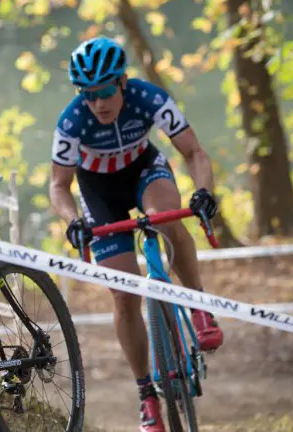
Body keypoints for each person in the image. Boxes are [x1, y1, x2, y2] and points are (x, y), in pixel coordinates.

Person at [48, 36, 224, 432]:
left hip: (144, 171)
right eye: (89, 94)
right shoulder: (71, 121)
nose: (99, 102)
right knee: (123, 294)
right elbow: (59, 185)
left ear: (123, 81)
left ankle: (199, 308)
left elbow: (195, 152)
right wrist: (71, 219)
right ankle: (146, 395)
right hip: (98, 191)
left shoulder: (149, 97)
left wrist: (204, 193)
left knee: (166, 218)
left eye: (106, 90)